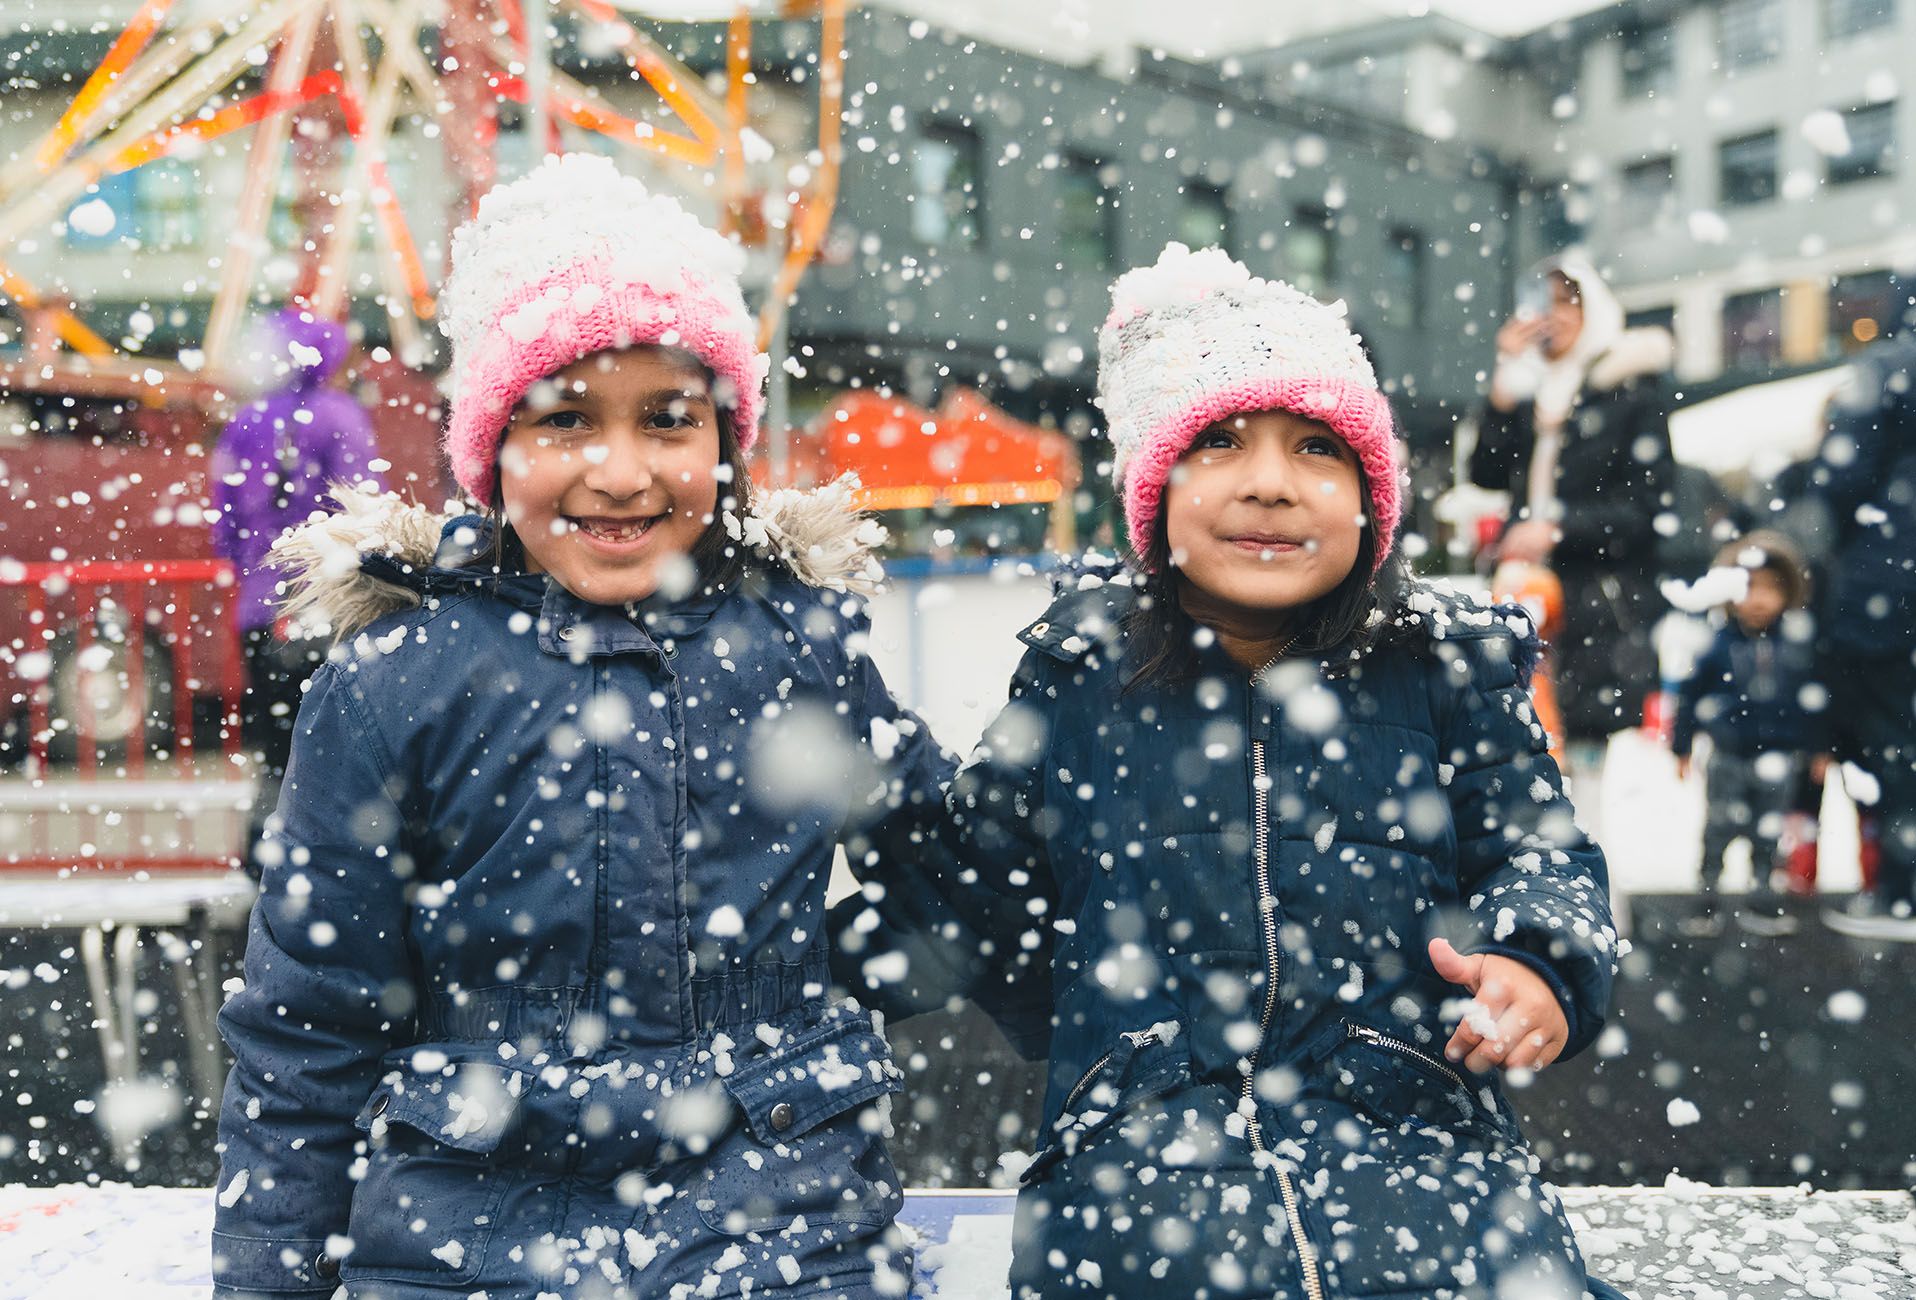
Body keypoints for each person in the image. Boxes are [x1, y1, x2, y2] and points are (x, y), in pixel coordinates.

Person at [210, 154, 968, 1299]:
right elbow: (309, 1025)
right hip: (468, 1242)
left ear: (723, 443)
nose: (620, 473)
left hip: (781, 1233)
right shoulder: (394, 684)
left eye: (667, 420)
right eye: (565, 419)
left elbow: (956, 879)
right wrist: (270, 1278)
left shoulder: (799, 652)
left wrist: (805, 1002)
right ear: (490, 450)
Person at [844, 244, 1627, 1299]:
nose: (1268, 482)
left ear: (1371, 496)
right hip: (1138, 1145)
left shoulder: (1441, 668)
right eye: (1216, 442)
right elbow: (970, 894)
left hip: (1414, 1129)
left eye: (1317, 447)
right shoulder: (1083, 678)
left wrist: (1537, 964)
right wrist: (847, 749)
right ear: (1153, 490)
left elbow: (1538, 853)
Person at [1469, 253, 1675, 827]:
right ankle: (1532, 868)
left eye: (1568, 301)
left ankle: (1585, 867)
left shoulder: (1629, 389)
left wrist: (1556, 529)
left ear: (1595, 310)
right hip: (1522, 591)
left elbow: (1647, 509)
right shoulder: (1532, 391)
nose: (1553, 315)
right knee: (1517, 732)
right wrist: (1504, 388)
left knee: (1583, 750)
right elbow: (1486, 472)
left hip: (1595, 599)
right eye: (1544, 301)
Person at [210, 308, 382, 867]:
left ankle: (263, 853)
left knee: (273, 741)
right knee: (336, 740)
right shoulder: (341, 416)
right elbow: (364, 508)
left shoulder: (247, 420)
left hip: (260, 610)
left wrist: (255, 567)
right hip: (328, 601)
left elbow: (225, 522)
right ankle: (327, 858)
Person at [1804, 293, 1916, 939]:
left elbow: (1841, 478)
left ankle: (1903, 892)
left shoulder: (1887, 366)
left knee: (1897, 740)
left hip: (1891, 582)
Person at [1669, 533, 1826, 938]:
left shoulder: (1796, 646)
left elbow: (1813, 701)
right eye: (1750, 587)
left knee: (1768, 834)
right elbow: (1689, 696)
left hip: (1779, 757)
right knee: (1717, 829)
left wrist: (1818, 749)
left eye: (1772, 588)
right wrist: (1682, 745)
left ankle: (1762, 900)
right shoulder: (1716, 644)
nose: (1759, 599)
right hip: (1728, 754)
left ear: (1788, 593)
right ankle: (1706, 900)